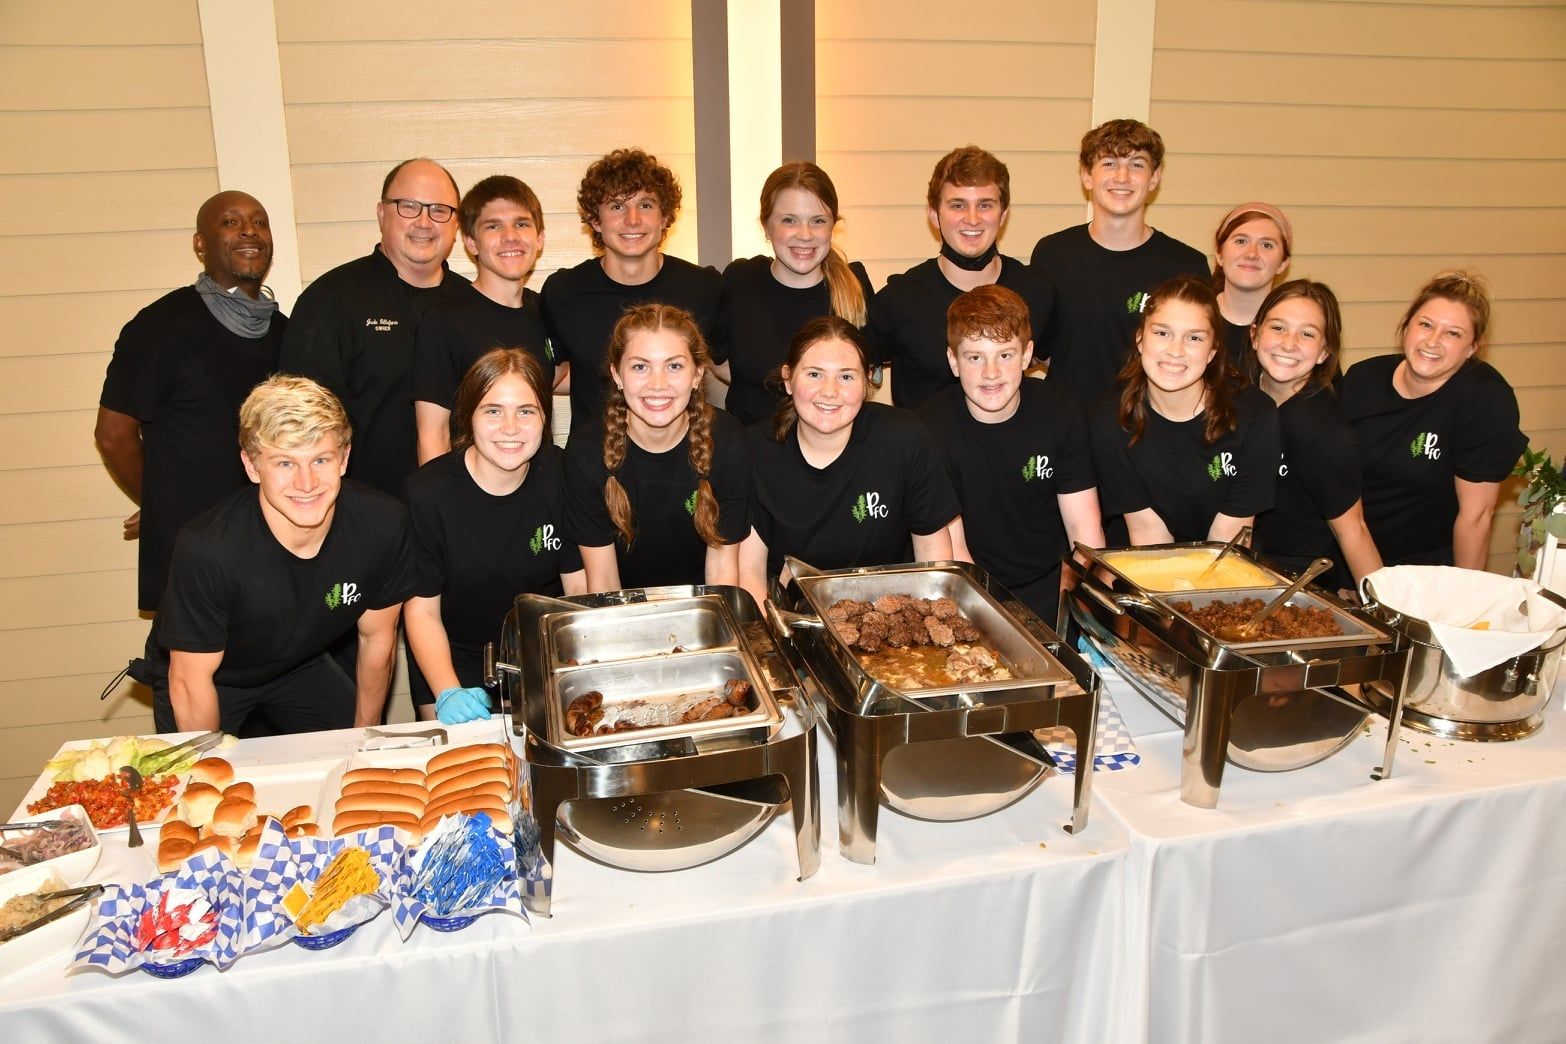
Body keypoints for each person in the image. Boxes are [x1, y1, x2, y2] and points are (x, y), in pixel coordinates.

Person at [152, 377, 414, 736]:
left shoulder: (382, 523)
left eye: (320, 459)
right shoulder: (208, 548)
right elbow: (189, 679)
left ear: (344, 458)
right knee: (207, 782)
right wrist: (207, 772)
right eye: (285, 463)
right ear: (251, 466)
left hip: (299, 665)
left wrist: (363, 739)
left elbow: (377, 639)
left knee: (349, 759)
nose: (307, 483)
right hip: (214, 676)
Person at [96, 190, 286, 615]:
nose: (248, 231)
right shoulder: (160, 327)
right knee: (187, 679)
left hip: (270, 555)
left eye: (258, 222)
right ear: (200, 244)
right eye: (230, 222)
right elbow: (113, 436)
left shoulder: (285, 334)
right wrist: (159, 503)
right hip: (194, 561)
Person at [405, 350, 585, 724]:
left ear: (544, 418)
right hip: (454, 657)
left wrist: (582, 669)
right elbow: (422, 611)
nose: (510, 427)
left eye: (526, 411)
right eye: (492, 410)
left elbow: (578, 591)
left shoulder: (562, 474)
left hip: (542, 654)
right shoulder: (428, 493)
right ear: (468, 417)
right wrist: (447, 691)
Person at [279, 157, 467, 496]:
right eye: (408, 206)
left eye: (439, 210)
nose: (424, 221)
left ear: (456, 225)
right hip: (361, 516)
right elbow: (299, 425)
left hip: (460, 513)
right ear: (382, 213)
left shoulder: (473, 305)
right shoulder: (331, 299)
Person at [741, 317, 957, 609]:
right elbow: (749, 571)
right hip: (792, 616)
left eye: (846, 376)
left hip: (889, 617)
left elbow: (933, 559)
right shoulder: (755, 449)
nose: (829, 391)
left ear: (867, 381)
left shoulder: (905, 439)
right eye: (815, 374)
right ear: (788, 379)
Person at [919, 286, 1103, 623]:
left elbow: (1084, 530)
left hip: (1051, 583)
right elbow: (954, 550)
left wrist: (1081, 608)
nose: (991, 373)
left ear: (1026, 355)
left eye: (1004, 355)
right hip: (971, 587)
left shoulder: (1060, 411)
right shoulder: (930, 428)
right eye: (975, 357)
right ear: (953, 361)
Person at [1341, 271, 1527, 569]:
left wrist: (1461, 602)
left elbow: (1475, 517)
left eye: (1453, 333)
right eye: (1425, 325)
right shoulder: (1362, 379)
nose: (1433, 341)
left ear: (1473, 347)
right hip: (1349, 556)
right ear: (1406, 326)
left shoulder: (1485, 400)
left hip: (1427, 569)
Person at [562, 304, 750, 591]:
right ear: (617, 375)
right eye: (640, 367)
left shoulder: (728, 441)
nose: (658, 384)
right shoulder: (585, 451)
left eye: (674, 366)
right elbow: (603, 582)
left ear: (698, 374)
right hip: (623, 609)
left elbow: (722, 571)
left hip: (700, 606)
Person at [1088, 274, 1279, 545]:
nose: (1175, 351)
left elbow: (1229, 540)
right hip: (1149, 562)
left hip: (1226, 563)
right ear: (1141, 340)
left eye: (1194, 338)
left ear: (1212, 351)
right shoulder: (1109, 419)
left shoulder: (1256, 416)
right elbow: (1148, 535)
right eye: (1162, 333)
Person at [542, 148, 721, 436]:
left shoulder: (704, 288)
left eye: (646, 205)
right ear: (595, 221)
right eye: (617, 206)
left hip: (685, 459)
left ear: (665, 218)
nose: (633, 220)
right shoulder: (563, 292)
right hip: (592, 465)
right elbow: (554, 375)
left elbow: (728, 369)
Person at [1031, 120, 1208, 410]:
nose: (1122, 176)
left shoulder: (1186, 265)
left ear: (1154, 178)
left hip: (1147, 431)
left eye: (1137, 164)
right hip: (1071, 429)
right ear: (1087, 176)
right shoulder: (1053, 254)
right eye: (1109, 163)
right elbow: (1039, 348)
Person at [867, 145, 1055, 410]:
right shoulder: (899, 299)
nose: (973, 218)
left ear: (1003, 214)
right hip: (925, 450)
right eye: (958, 205)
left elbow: (1062, 373)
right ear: (934, 214)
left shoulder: (1035, 290)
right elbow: (850, 377)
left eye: (985, 205)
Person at [710, 161, 874, 424]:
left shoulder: (855, 285)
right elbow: (719, 362)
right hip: (752, 451)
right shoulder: (740, 281)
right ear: (766, 226)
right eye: (789, 220)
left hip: (835, 451)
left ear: (833, 225)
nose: (805, 235)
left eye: (818, 221)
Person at [1247, 280, 1382, 589]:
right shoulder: (1239, 402)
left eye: (1307, 334)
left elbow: (1353, 531)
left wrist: (1386, 619)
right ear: (1255, 335)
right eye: (1278, 328)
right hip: (1238, 564)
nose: (1289, 343)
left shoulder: (1325, 433)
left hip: (1298, 585)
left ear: (1324, 352)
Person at [413, 175, 555, 464]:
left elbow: (555, 372)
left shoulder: (545, 310)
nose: (510, 236)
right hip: (473, 498)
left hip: (542, 493)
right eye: (493, 226)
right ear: (471, 242)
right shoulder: (444, 321)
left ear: (539, 238)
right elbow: (432, 435)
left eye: (521, 223)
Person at [1212, 202, 1292, 373]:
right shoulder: (1192, 317)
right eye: (1241, 241)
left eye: (1267, 245)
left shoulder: (1298, 331)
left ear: (1283, 263)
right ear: (1219, 254)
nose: (1251, 254)